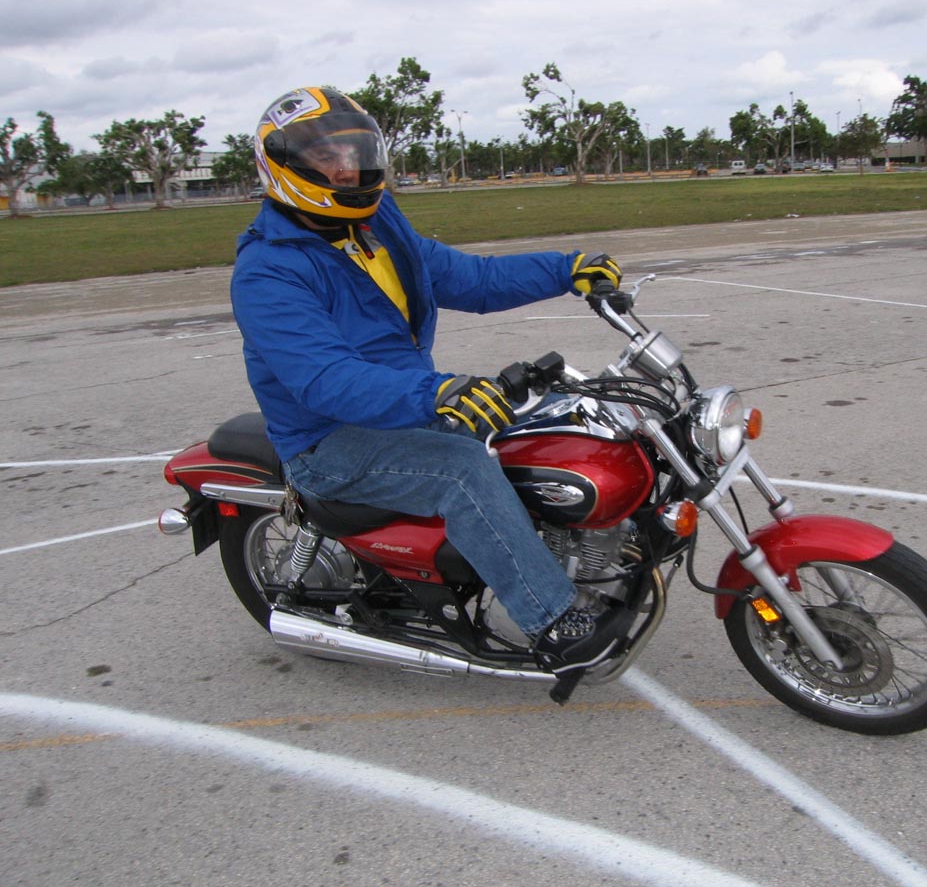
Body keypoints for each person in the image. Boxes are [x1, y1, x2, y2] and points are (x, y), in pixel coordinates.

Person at [230, 86, 631, 676]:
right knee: (462, 470)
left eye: (354, 153)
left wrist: (566, 269)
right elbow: (324, 379)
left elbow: (469, 278)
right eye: (326, 158)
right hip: (328, 440)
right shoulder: (269, 270)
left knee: (554, 422)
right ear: (284, 165)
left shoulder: (376, 222)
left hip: (399, 406)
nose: (346, 169)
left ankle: (573, 556)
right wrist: (437, 392)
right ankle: (551, 620)